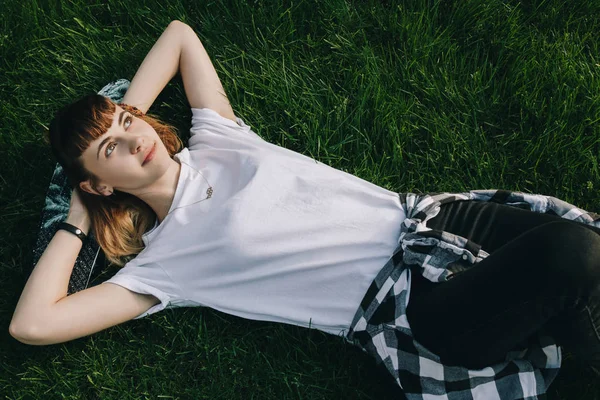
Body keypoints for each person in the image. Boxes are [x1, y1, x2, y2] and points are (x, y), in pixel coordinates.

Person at [9, 20, 600, 399]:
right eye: (109, 148)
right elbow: (32, 325)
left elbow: (180, 36)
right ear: (100, 184)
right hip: (411, 310)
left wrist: (121, 113)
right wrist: (78, 215)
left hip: (434, 224)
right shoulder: (163, 264)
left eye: (127, 123)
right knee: (572, 253)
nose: (131, 137)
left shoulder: (219, 140)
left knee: (583, 252)